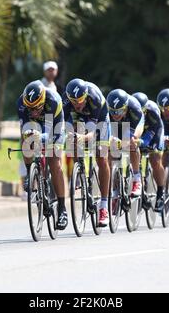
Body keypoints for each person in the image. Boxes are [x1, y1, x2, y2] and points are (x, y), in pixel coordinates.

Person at [17, 80, 68, 230]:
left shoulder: (53, 101)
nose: (33, 111)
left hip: (53, 126)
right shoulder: (21, 103)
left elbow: (56, 133)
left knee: (54, 161)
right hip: (35, 126)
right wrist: (30, 136)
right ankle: (30, 173)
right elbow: (25, 128)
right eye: (29, 108)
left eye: (36, 108)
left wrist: (43, 138)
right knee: (27, 142)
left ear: (43, 101)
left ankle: (62, 209)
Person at [63, 78, 111, 227]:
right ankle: (79, 169)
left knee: (101, 158)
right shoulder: (65, 101)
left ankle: (103, 206)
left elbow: (91, 132)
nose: (77, 104)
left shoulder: (95, 98)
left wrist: (82, 136)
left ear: (85, 96)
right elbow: (62, 125)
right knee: (73, 136)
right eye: (74, 101)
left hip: (99, 119)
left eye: (80, 101)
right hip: (77, 118)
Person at [106, 89, 144, 197]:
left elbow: (130, 137)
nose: (115, 114)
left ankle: (137, 179)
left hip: (133, 122)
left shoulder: (134, 108)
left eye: (119, 111)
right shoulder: (106, 109)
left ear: (126, 107)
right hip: (115, 126)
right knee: (110, 149)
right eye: (112, 111)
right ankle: (114, 187)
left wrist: (122, 142)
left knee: (132, 143)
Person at [132, 92, 166, 210]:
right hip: (139, 133)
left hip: (154, 131)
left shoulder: (152, 110)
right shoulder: (131, 109)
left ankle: (161, 193)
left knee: (155, 160)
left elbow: (155, 129)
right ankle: (139, 189)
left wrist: (147, 143)